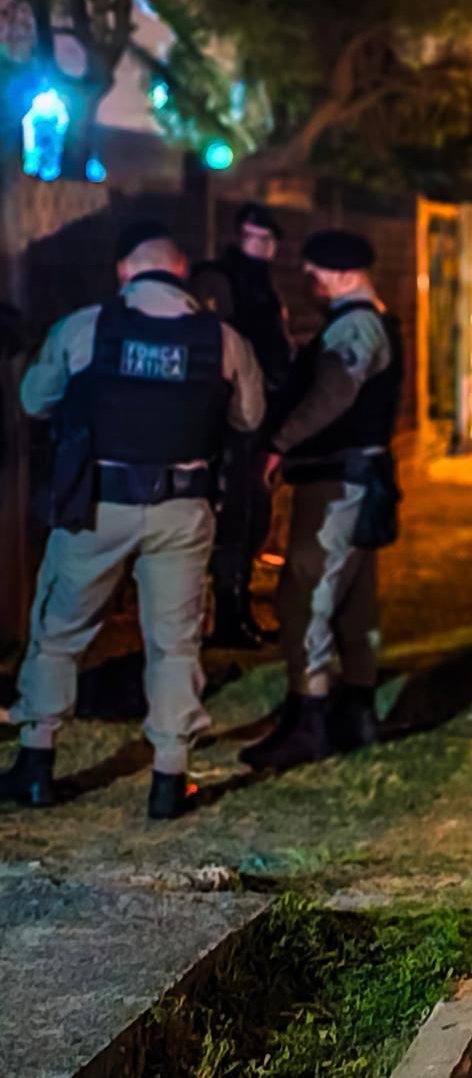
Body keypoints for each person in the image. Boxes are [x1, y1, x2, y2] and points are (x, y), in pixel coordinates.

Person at [0, 221, 264, 819]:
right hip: (183, 508)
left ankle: (37, 764)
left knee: (59, 631)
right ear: (181, 272)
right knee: (174, 643)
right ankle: (170, 779)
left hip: (99, 504)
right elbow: (249, 418)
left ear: (124, 270)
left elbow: (33, 400)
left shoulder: (87, 327)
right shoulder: (221, 339)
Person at [239, 229, 402, 772]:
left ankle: (309, 721)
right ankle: (356, 714)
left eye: (315, 273)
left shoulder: (354, 326)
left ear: (345, 274)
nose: (307, 283)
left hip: (338, 484)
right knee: (355, 603)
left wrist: (279, 444)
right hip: (357, 479)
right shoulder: (369, 321)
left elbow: (333, 393)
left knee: (304, 596)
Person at [191, 202, 293, 648]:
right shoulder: (222, 280)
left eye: (268, 240)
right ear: (240, 236)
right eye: (255, 238)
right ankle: (228, 614)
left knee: (251, 513)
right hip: (233, 416)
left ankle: (237, 609)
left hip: (258, 411)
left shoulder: (261, 286)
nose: (263, 248)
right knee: (235, 514)